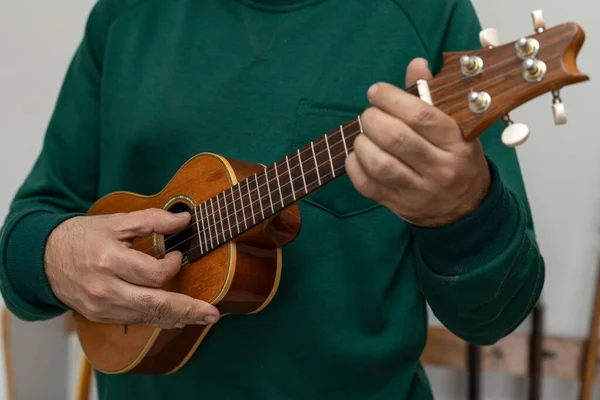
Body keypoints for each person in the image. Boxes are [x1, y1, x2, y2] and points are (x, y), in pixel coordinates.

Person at [0, 0, 545, 399]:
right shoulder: (123, 17)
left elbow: (496, 313)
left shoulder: (429, 15)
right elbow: (24, 240)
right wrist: (55, 254)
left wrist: (461, 210)